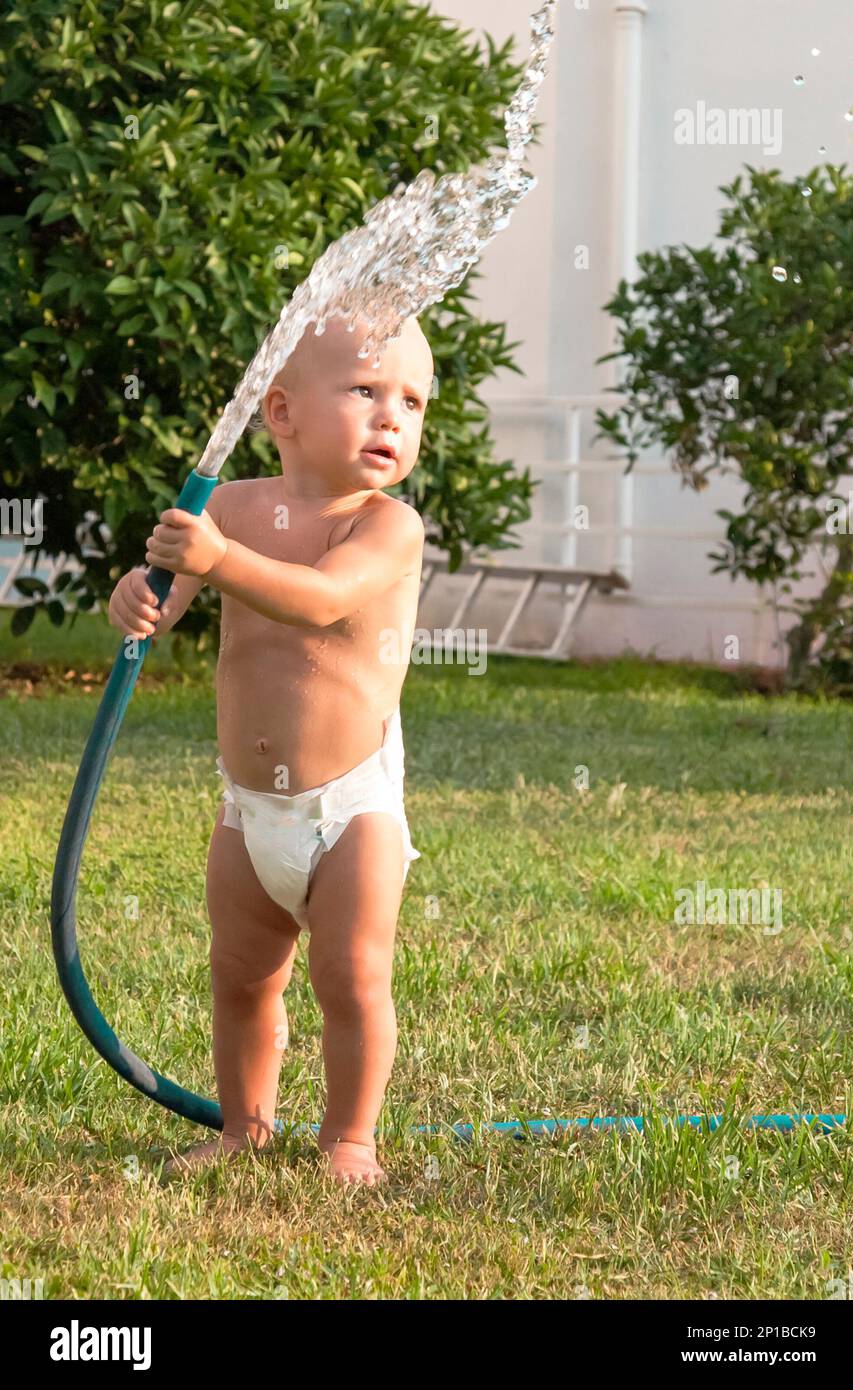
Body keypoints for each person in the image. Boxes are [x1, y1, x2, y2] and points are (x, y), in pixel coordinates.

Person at [107, 313, 433, 1186]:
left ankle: (350, 1139)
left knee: (351, 977)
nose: (391, 418)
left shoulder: (386, 526)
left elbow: (320, 602)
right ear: (281, 412)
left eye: (411, 401)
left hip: (349, 808)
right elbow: (165, 592)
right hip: (247, 809)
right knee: (242, 977)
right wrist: (140, 596)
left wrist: (218, 557)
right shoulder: (236, 509)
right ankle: (244, 1126)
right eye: (366, 392)